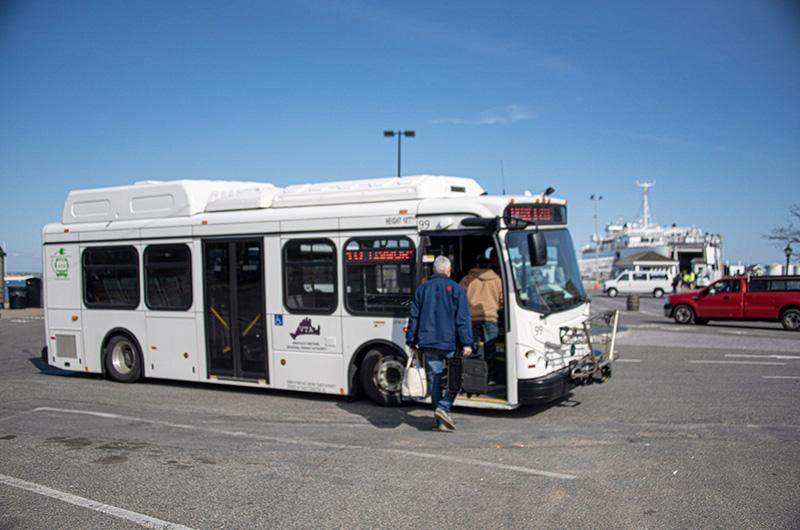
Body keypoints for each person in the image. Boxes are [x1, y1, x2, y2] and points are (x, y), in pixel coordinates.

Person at [406, 255, 472, 432]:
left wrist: (411, 341)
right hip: (450, 343)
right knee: (456, 378)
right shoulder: (457, 289)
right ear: (448, 271)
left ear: (434, 271)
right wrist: (467, 343)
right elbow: (463, 319)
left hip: (428, 343)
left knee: (434, 380)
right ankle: (444, 407)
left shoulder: (422, 289)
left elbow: (414, 318)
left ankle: (440, 422)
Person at [459, 252, 503, 384]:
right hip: (490, 317)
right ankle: (490, 376)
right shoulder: (497, 280)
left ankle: (474, 376)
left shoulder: (467, 279)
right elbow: (502, 300)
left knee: (473, 349)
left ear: (477, 265)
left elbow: (460, 297)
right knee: (490, 348)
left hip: (472, 318)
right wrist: (496, 307)